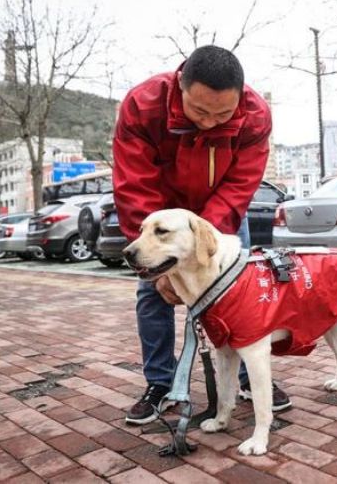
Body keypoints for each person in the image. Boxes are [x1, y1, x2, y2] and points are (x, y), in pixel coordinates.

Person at [113, 45, 291, 425]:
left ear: (240, 99)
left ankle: (249, 377)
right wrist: (163, 266)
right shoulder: (142, 105)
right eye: (199, 111)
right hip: (162, 210)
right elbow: (135, 186)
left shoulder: (256, 115)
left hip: (221, 211)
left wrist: (202, 243)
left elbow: (240, 184)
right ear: (180, 85)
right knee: (151, 292)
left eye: (222, 114)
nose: (210, 123)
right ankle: (160, 383)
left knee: (241, 291)